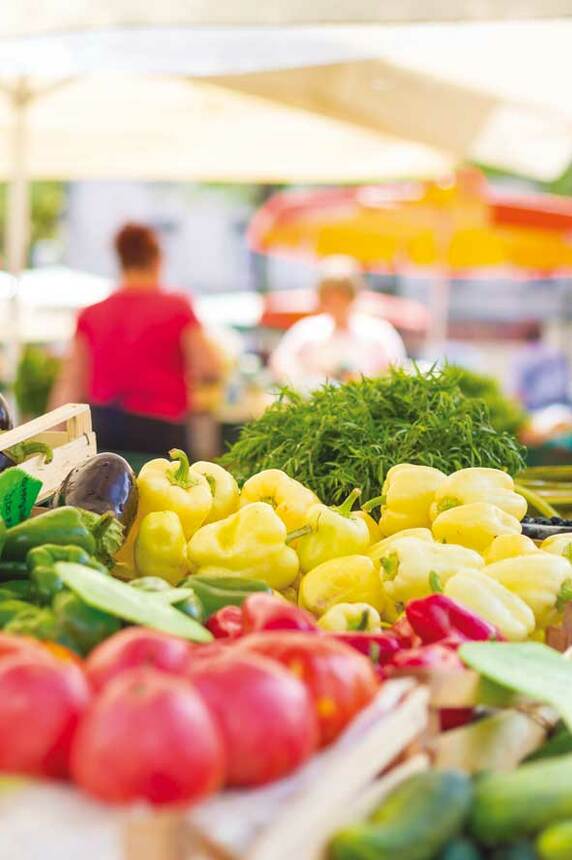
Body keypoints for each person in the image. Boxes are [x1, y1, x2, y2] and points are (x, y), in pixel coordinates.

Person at [49, 223, 221, 453]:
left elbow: (71, 383)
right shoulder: (177, 308)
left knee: (103, 488)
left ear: (120, 260)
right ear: (157, 260)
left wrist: (50, 438)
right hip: (161, 429)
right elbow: (209, 368)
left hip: (103, 427)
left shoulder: (92, 313)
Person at [270, 256, 406, 390]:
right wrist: (307, 381)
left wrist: (365, 380)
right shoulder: (306, 331)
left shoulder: (379, 333)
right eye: (329, 297)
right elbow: (280, 363)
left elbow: (396, 370)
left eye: (342, 296)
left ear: (353, 295)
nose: (336, 303)